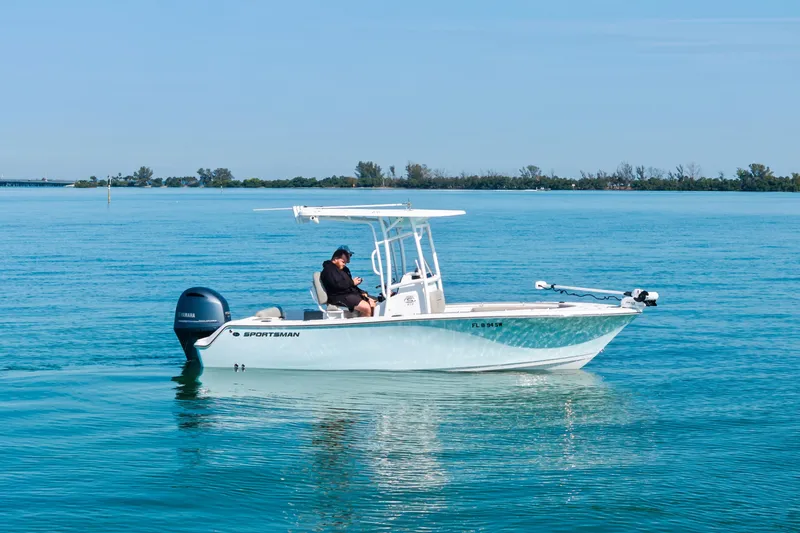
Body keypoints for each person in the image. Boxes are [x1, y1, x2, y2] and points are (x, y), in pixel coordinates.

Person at [319, 246, 377, 317]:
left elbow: (348, 285)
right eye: (343, 262)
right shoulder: (329, 270)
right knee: (366, 307)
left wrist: (361, 292)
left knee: (373, 302)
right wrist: (352, 283)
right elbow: (338, 285)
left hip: (346, 294)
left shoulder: (343, 269)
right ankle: (364, 327)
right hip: (338, 297)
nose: (344, 264)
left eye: (345, 262)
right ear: (335, 259)